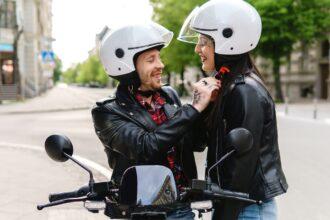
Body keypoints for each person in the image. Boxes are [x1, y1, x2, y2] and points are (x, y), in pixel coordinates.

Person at [92, 22, 220, 219]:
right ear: (127, 66)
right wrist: (193, 108)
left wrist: (206, 106)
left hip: (180, 208)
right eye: (151, 60)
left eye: (159, 58)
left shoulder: (169, 96)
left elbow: (197, 144)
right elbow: (145, 147)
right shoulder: (107, 111)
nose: (160, 65)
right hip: (138, 211)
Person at [178, 0, 288, 219]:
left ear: (228, 40)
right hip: (235, 204)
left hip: (245, 208)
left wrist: (224, 216)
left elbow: (241, 168)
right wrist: (200, 105)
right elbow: (198, 143)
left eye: (203, 42)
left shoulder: (244, 91)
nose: (197, 49)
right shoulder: (226, 86)